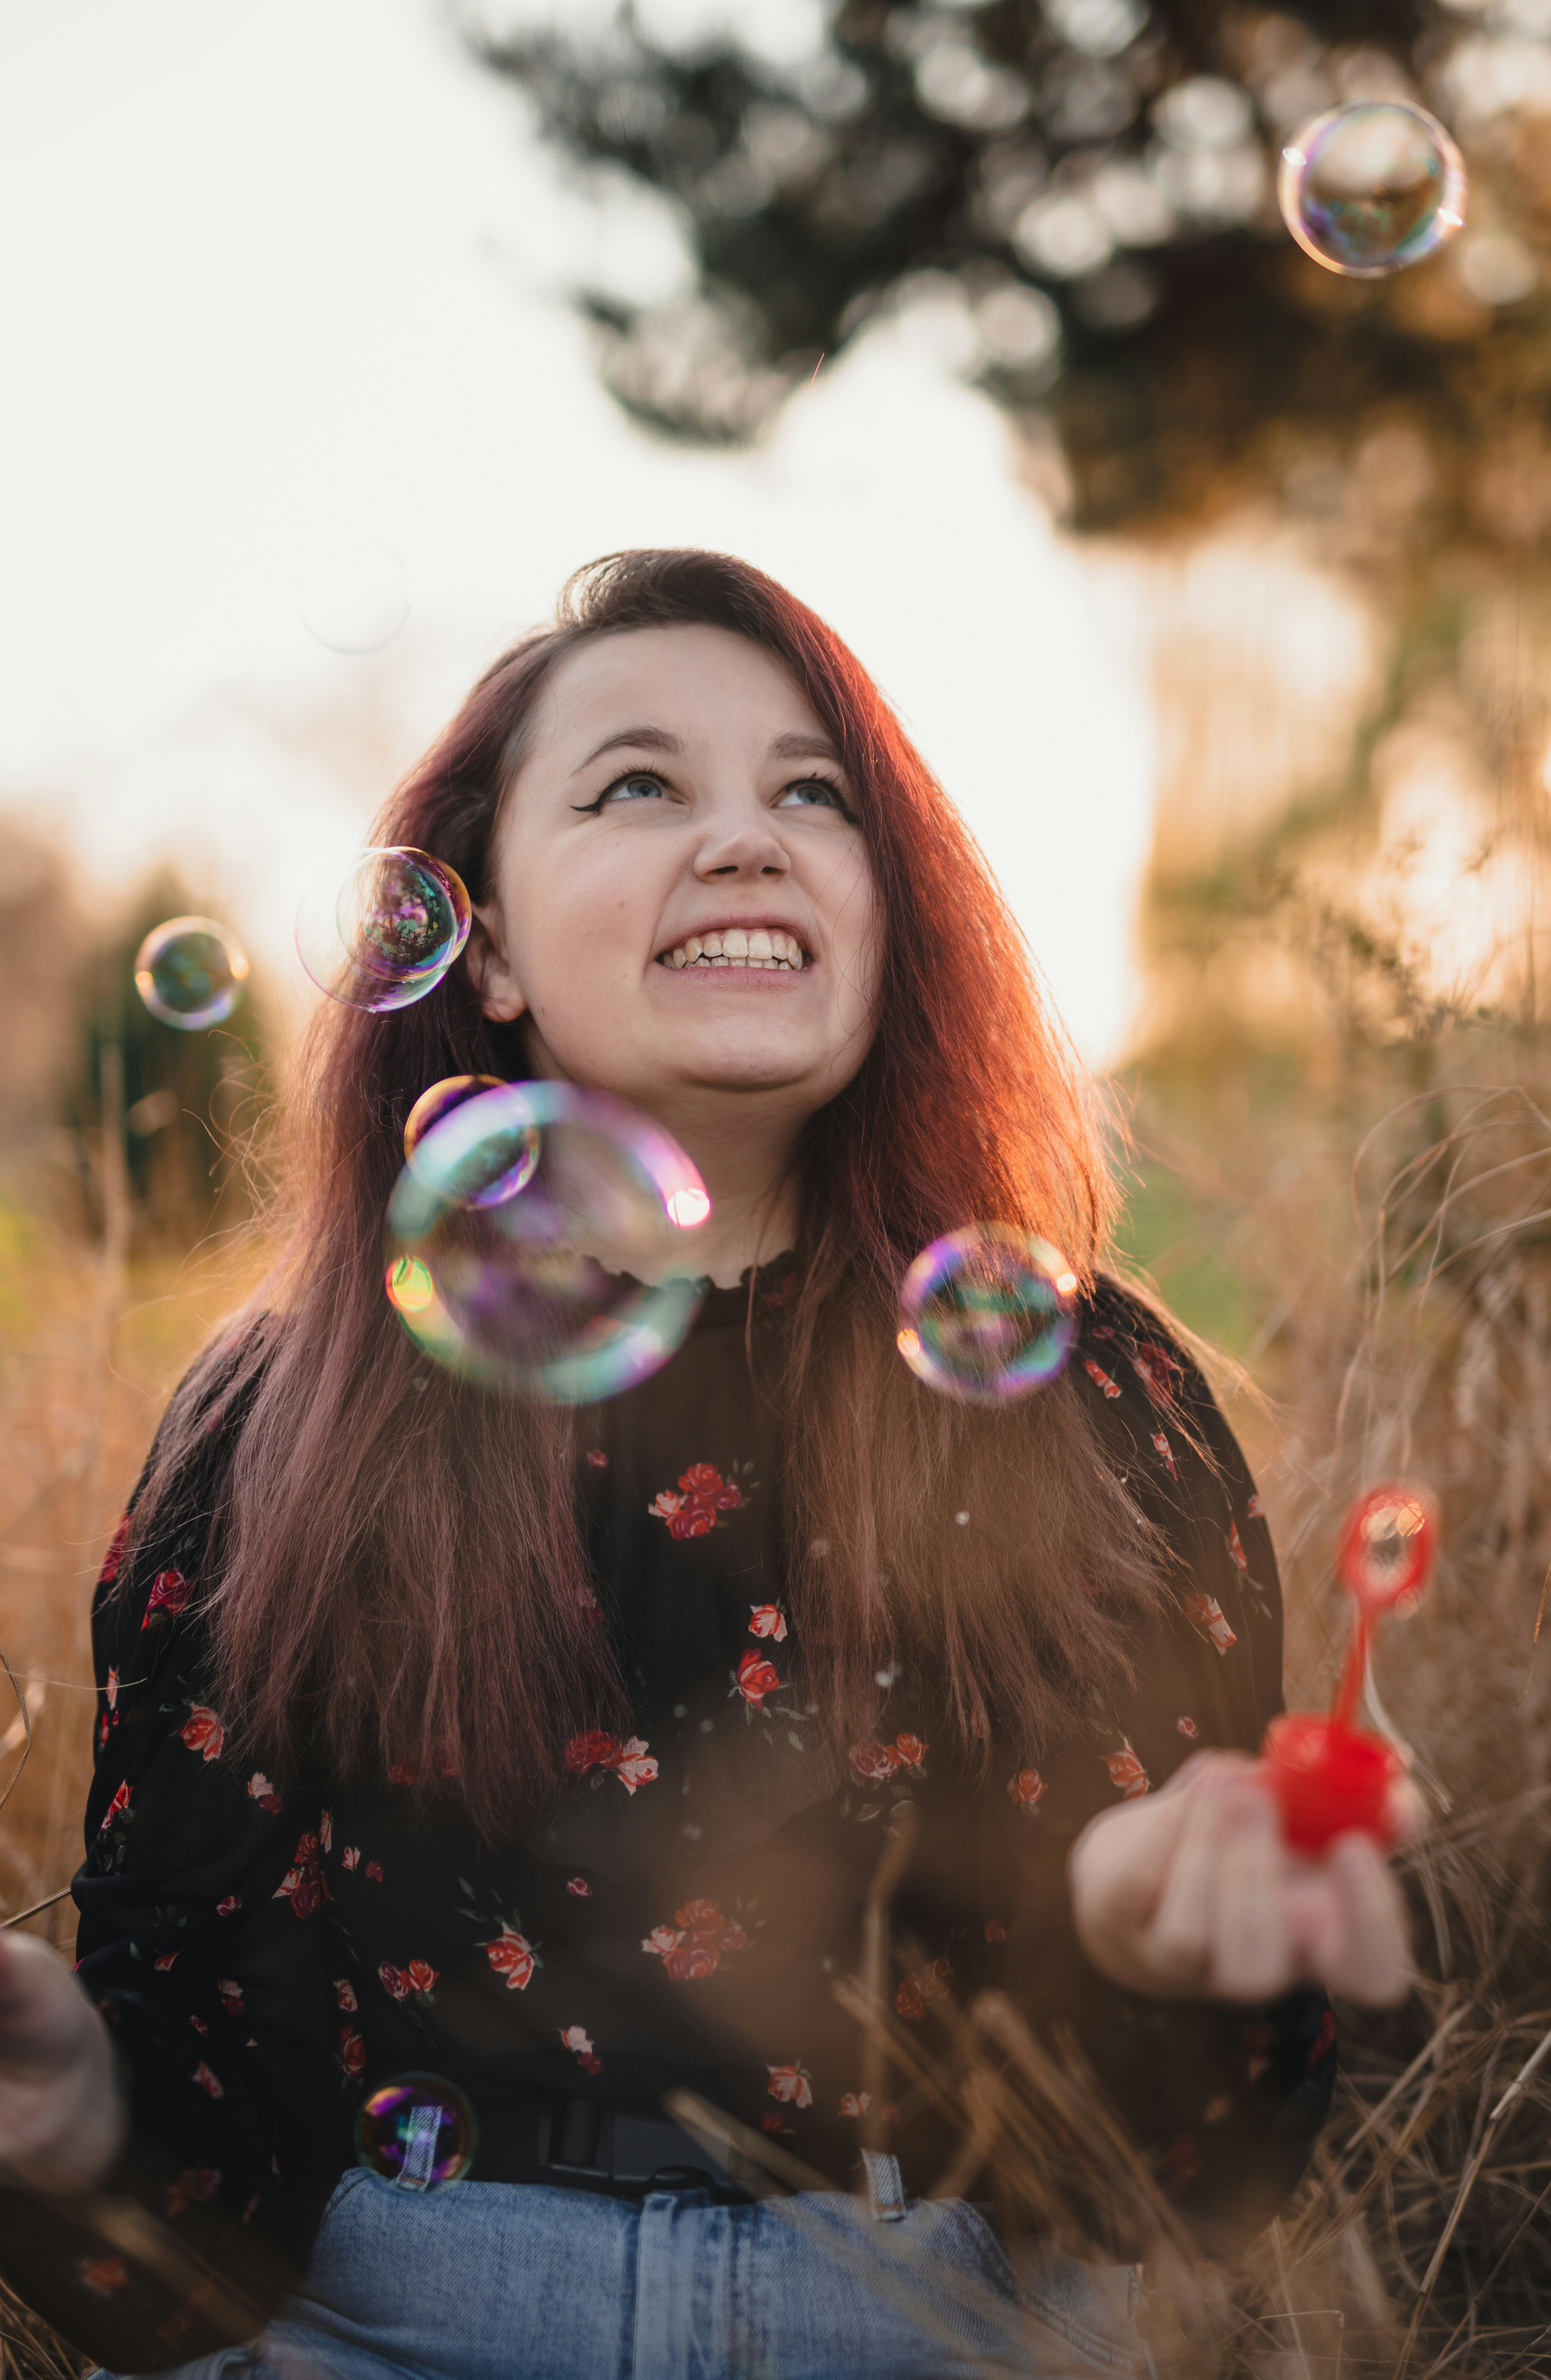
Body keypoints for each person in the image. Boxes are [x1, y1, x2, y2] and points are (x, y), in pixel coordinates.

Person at [0, 550, 1414, 2380]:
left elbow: (1180, 2180)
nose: (748, 840)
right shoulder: (288, 1421)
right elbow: (202, 2156)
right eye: (639, 785)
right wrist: (65, 2113)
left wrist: (1164, 1956)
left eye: (812, 794)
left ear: (888, 911)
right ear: (481, 940)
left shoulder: (1090, 1394)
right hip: (388, 2323)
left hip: (950, 2326)